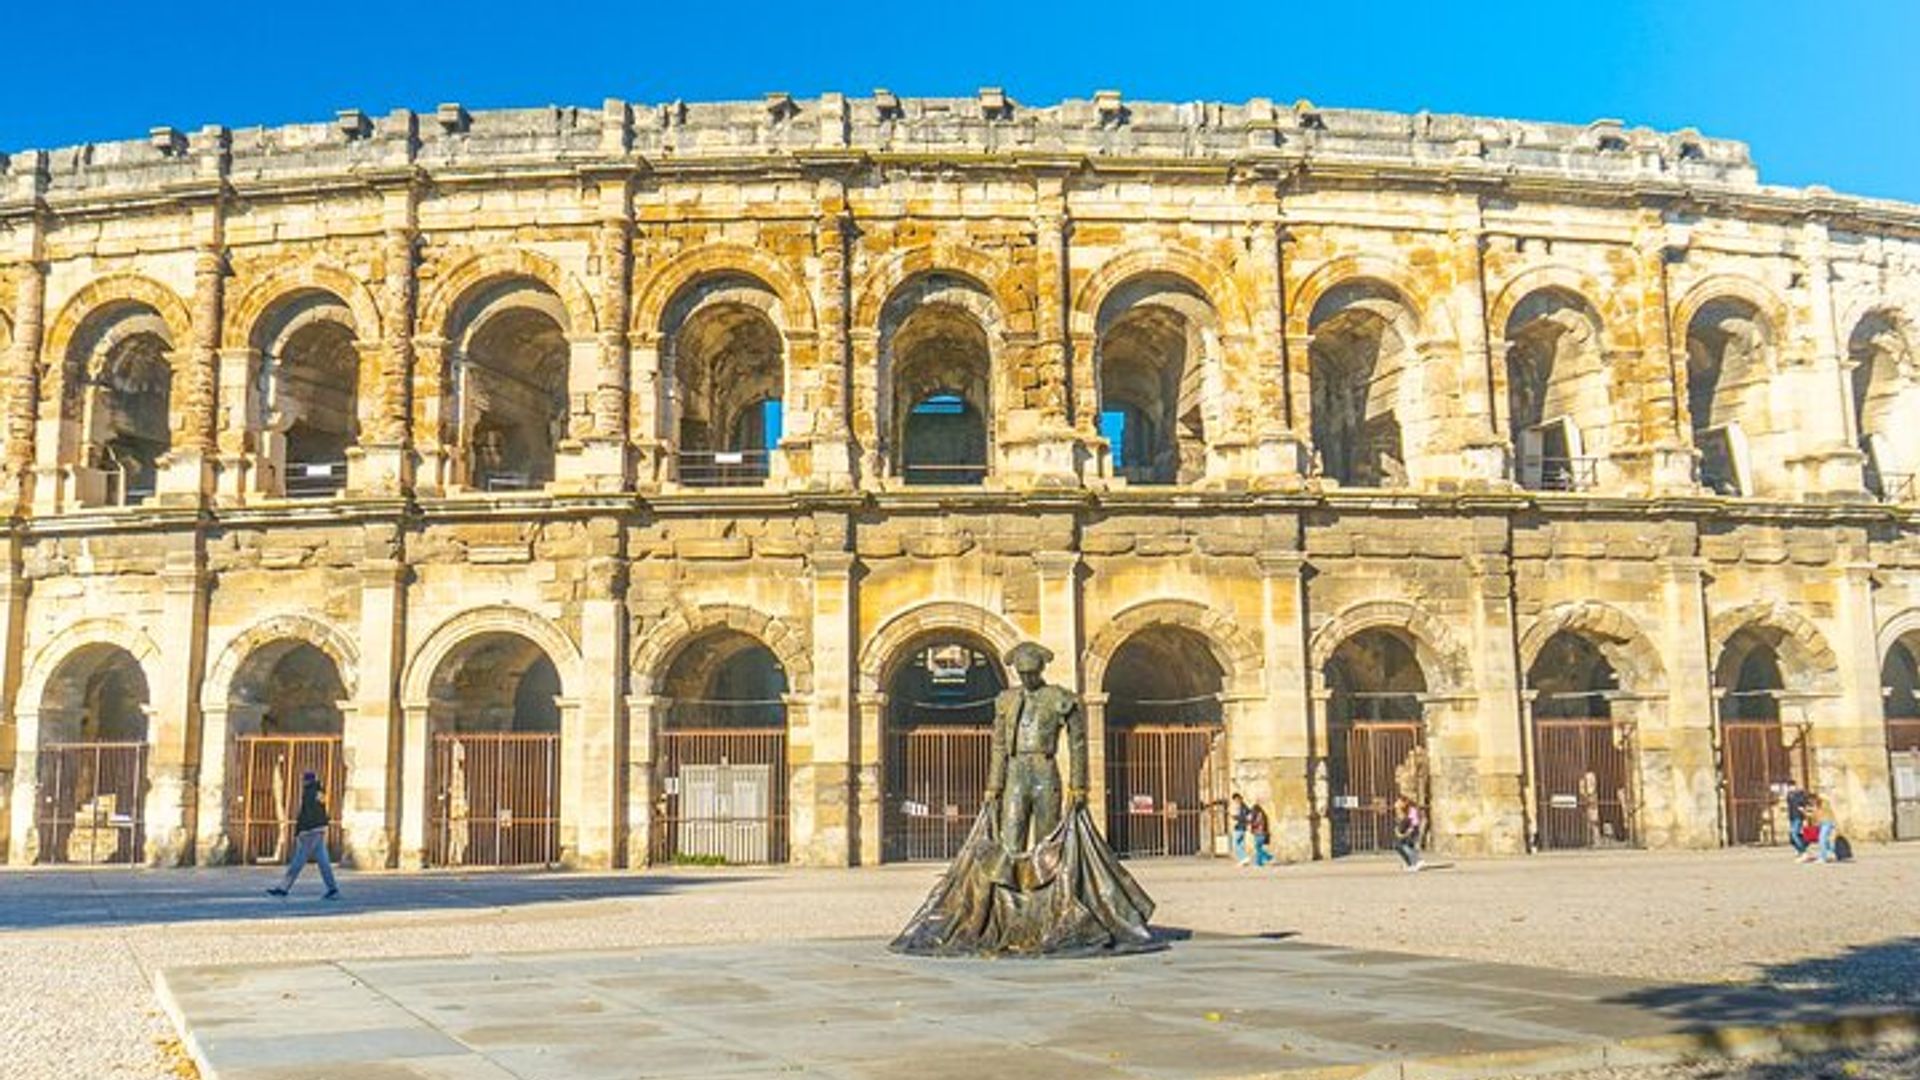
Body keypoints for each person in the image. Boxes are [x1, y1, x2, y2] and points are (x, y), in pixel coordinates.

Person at [268, 772, 339, 899]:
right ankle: (332, 889)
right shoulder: (319, 791)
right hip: (320, 828)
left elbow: (307, 813)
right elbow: (321, 810)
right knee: (323, 862)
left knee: (299, 860)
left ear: (307, 781)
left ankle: (283, 888)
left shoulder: (309, 792)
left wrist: (301, 831)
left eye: (304, 780)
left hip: (310, 831)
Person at [1393, 795, 1425, 872]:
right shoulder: (1402, 809)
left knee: (1404, 846)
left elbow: (1414, 823)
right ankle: (1411, 864)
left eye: (1399, 802)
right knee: (1399, 846)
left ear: (1404, 802)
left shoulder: (1412, 810)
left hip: (1412, 831)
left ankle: (1417, 861)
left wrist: (1408, 832)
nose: (1397, 804)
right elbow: (1400, 822)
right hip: (1405, 831)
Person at [1784, 779, 1810, 857]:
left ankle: (1803, 851)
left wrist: (1802, 807)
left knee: (1794, 834)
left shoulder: (1799, 793)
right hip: (1792, 817)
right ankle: (1800, 850)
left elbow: (1805, 801)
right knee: (1792, 837)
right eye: (1789, 787)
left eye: (1791, 786)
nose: (1790, 788)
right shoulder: (1789, 795)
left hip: (1798, 817)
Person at [1246, 801, 1274, 867]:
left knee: (1258, 848)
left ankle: (1267, 857)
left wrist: (1250, 822)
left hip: (1260, 833)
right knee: (1258, 848)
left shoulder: (1259, 815)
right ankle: (1260, 862)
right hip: (1260, 833)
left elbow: (1257, 823)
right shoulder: (1262, 815)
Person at [1229, 793, 1251, 866]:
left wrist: (1234, 817)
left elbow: (1240, 817)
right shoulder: (1245, 806)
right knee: (1241, 844)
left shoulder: (1240, 807)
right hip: (1243, 827)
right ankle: (1243, 861)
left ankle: (1244, 857)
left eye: (1235, 799)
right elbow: (1249, 815)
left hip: (1239, 827)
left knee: (1236, 845)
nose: (1235, 801)